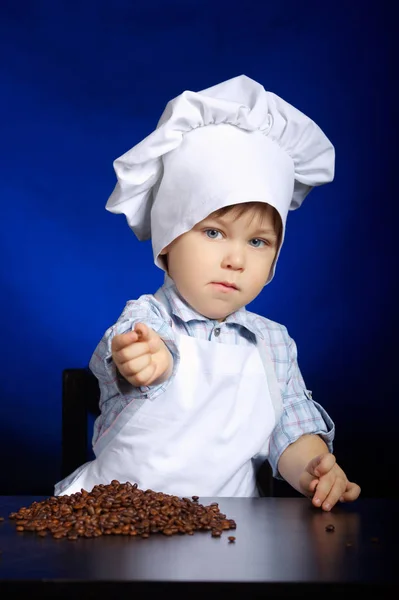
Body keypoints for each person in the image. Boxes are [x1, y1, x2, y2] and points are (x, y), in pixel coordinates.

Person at [55, 75, 360, 511]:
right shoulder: (148, 319)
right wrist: (145, 361)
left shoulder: (274, 343)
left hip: (234, 535)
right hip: (117, 524)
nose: (236, 259)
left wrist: (316, 467)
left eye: (258, 242)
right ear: (169, 239)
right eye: (214, 232)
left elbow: (289, 431)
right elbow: (125, 354)